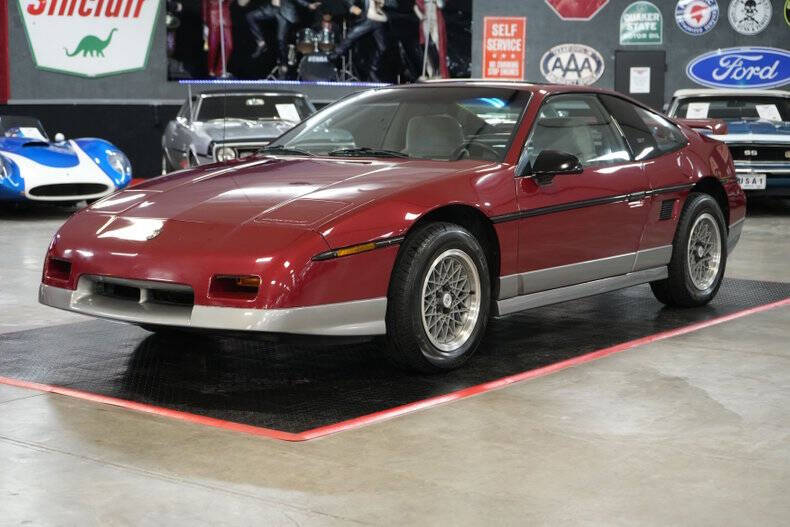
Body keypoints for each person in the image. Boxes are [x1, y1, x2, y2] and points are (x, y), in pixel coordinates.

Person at [246, 0, 321, 75]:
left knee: (280, 39)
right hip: (271, 8)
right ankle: (261, 42)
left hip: (284, 11)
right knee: (250, 16)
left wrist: (308, 5)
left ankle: (283, 65)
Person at [329, 0, 390, 82]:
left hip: (378, 20)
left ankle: (372, 70)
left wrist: (383, 3)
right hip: (368, 19)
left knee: (382, 48)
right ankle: (335, 54)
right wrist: (351, 7)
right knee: (353, 35)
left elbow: (391, 4)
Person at [203, 0, 235, 77]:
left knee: (229, 46)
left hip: (225, 17)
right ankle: (211, 70)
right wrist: (205, 22)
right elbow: (205, 5)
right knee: (213, 47)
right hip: (213, 17)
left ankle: (219, 70)